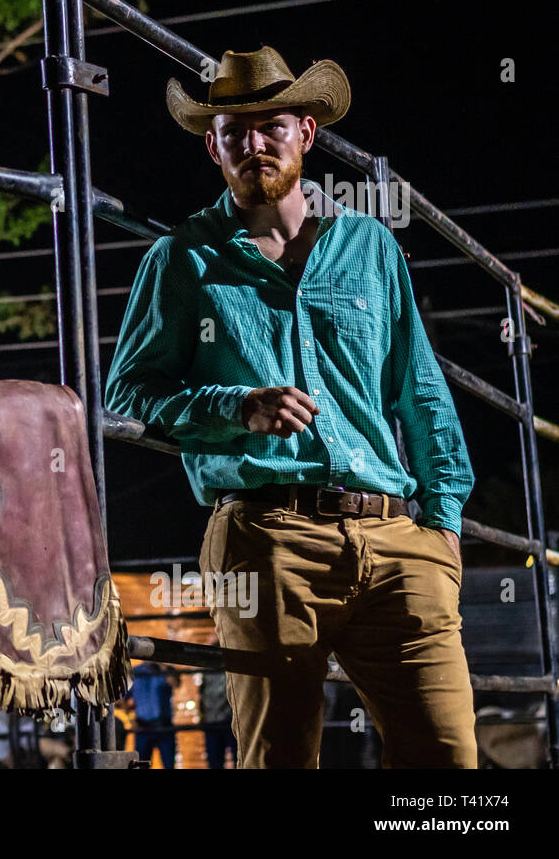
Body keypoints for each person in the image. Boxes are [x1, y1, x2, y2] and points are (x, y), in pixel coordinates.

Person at [105, 46, 475, 768]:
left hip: (398, 539)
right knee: (278, 758)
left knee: (447, 760)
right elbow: (128, 392)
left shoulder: (370, 246)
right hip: (266, 540)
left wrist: (446, 524)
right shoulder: (182, 261)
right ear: (212, 145)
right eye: (231, 131)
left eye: (269, 125)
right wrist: (234, 405)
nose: (252, 144)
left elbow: (420, 388)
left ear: (305, 131)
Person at [127, 661, 179, 768]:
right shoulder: (135, 671)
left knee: (169, 764)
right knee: (142, 764)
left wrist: (162, 666)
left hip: (164, 725)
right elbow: (124, 697)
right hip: (143, 725)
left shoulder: (166, 670)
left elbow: (175, 683)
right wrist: (130, 718)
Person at [198, 636, 237, 768]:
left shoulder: (229, 669)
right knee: (215, 761)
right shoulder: (206, 671)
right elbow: (202, 694)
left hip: (228, 721)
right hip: (213, 721)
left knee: (237, 758)